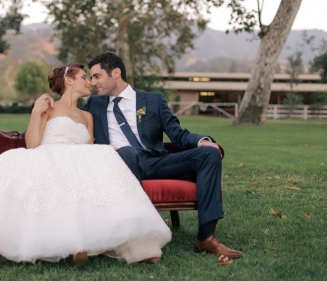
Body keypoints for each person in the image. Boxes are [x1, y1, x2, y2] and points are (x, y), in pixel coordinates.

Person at [0, 64, 172, 270]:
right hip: (48, 155)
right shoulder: (48, 107)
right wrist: (36, 112)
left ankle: (119, 242)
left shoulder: (88, 115)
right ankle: (70, 243)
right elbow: (33, 144)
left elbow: (89, 144)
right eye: (83, 78)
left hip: (82, 159)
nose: (89, 83)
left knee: (103, 160)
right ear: (69, 79)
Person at [84, 52, 243, 259]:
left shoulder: (153, 100)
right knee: (127, 152)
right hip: (120, 163)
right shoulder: (94, 105)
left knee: (209, 155)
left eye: (97, 76)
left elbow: (176, 133)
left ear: (115, 73)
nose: (93, 82)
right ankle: (140, 236)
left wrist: (201, 141)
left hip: (156, 161)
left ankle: (206, 237)